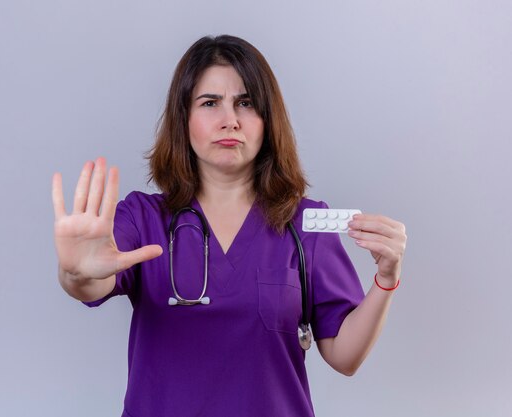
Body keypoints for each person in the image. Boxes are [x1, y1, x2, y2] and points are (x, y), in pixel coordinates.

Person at [51, 35, 407, 417]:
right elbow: (91, 281)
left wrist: (386, 278)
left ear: (268, 121)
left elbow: (345, 356)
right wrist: (75, 272)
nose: (230, 120)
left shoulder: (303, 226)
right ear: (183, 118)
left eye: (246, 103)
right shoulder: (142, 218)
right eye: (209, 103)